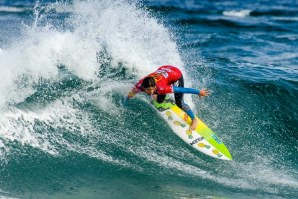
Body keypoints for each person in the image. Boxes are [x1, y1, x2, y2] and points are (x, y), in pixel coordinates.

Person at [125, 65, 210, 130]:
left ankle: (194, 119)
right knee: (159, 100)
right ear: (143, 87)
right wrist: (125, 105)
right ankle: (158, 95)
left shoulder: (161, 88)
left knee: (179, 103)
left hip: (175, 74)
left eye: (152, 89)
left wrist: (199, 92)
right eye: (148, 90)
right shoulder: (138, 86)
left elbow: (182, 89)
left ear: (155, 86)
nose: (150, 92)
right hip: (164, 69)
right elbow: (129, 96)